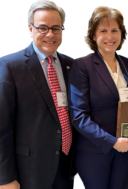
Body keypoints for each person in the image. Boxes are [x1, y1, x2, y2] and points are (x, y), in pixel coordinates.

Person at [0, 0, 76, 189]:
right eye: (43, 28)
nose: (50, 34)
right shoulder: (10, 65)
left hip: (66, 167)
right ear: (30, 29)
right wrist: (5, 178)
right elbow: (2, 127)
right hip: (29, 170)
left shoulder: (71, 65)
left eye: (56, 28)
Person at [68, 4, 128, 189]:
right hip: (94, 152)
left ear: (122, 34)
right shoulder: (83, 65)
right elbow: (78, 116)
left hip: (125, 150)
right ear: (93, 34)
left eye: (115, 30)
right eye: (103, 30)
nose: (109, 36)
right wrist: (113, 142)